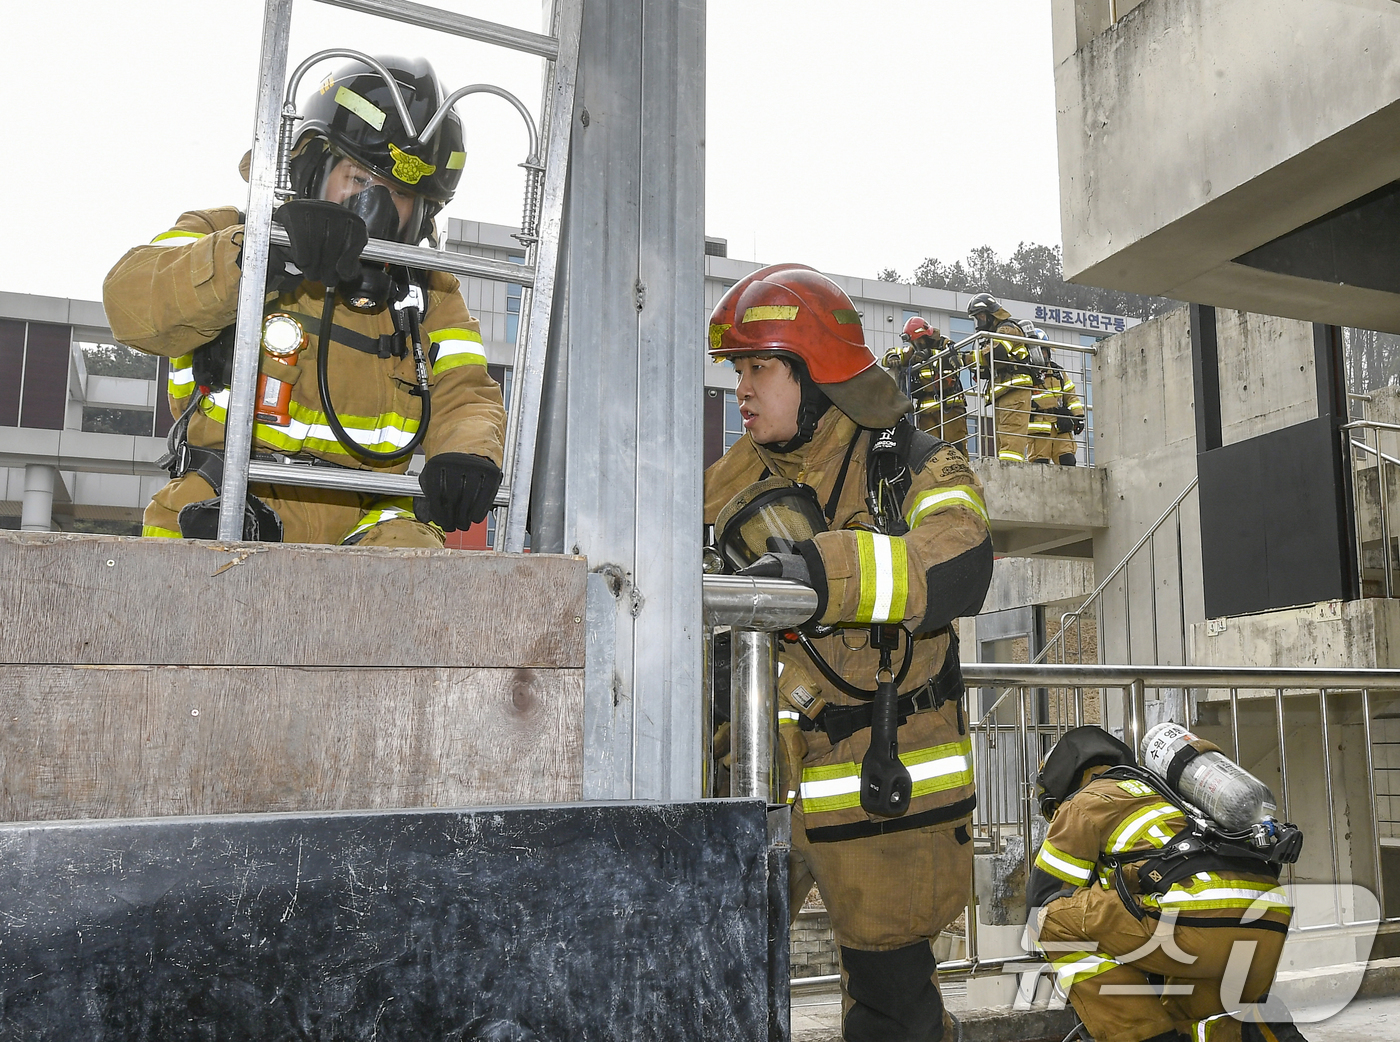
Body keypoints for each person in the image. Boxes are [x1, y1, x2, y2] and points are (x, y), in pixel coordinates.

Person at [704, 263, 994, 1042]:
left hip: (878, 779)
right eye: (739, 369)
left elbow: (962, 561)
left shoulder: (915, 465)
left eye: (761, 366)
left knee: (890, 1007)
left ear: (817, 374)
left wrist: (816, 573)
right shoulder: (729, 481)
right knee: (710, 980)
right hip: (760, 774)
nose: (742, 388)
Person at [103, 55, 506, 547]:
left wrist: (468, 454)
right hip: (227, 499)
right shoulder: (230, 234)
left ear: (422, 212)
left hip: (365, 519)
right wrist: (258, 257)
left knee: (415, 563)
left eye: (397, 194)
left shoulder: (429, 294)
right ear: (314, 169)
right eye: (358, 180)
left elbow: (466, 392)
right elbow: (130, 304)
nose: (373, 210)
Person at [1027, 727, 1301, 1042]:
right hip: (1266, 925)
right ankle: (1257, 1031)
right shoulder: (1169, 795)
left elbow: (1043, 904)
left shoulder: (1084, 802)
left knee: (1053, 922)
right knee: (1185, 1020)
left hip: (1198, 926)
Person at [962, 293, 1033, 462]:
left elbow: (997, 353)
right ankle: (1006, 472)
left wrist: (966, 358)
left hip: (1015, 391)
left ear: (989, 314)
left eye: (980, 316)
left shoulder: (1007, 329)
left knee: (1011, 443)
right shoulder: (993, 335)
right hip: (1004, 393)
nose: (978, 321)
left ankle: (1011, 477)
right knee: (1004, 442)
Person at [889, 316, 968, 454]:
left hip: (950, 406)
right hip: (926, 412)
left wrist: (930, 354)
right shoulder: (913, 351)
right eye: (914, 341)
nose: (917, 343)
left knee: (955, 448)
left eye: (919, 340)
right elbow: (892, 353)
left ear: (926, 336)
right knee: (930, 452)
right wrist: (893, 357)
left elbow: (957, 358)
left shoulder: (944, 343)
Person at [1024, 327, 1086, 465]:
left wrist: (1077, 417)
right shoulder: (1025, 373)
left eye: (1045, 352)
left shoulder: (1058, 372)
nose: (1043, 356)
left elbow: (1070, 395)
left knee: (1068, 460)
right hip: (1039, 427)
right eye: (1039, 352)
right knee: (1040, 464)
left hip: (1061, 425)